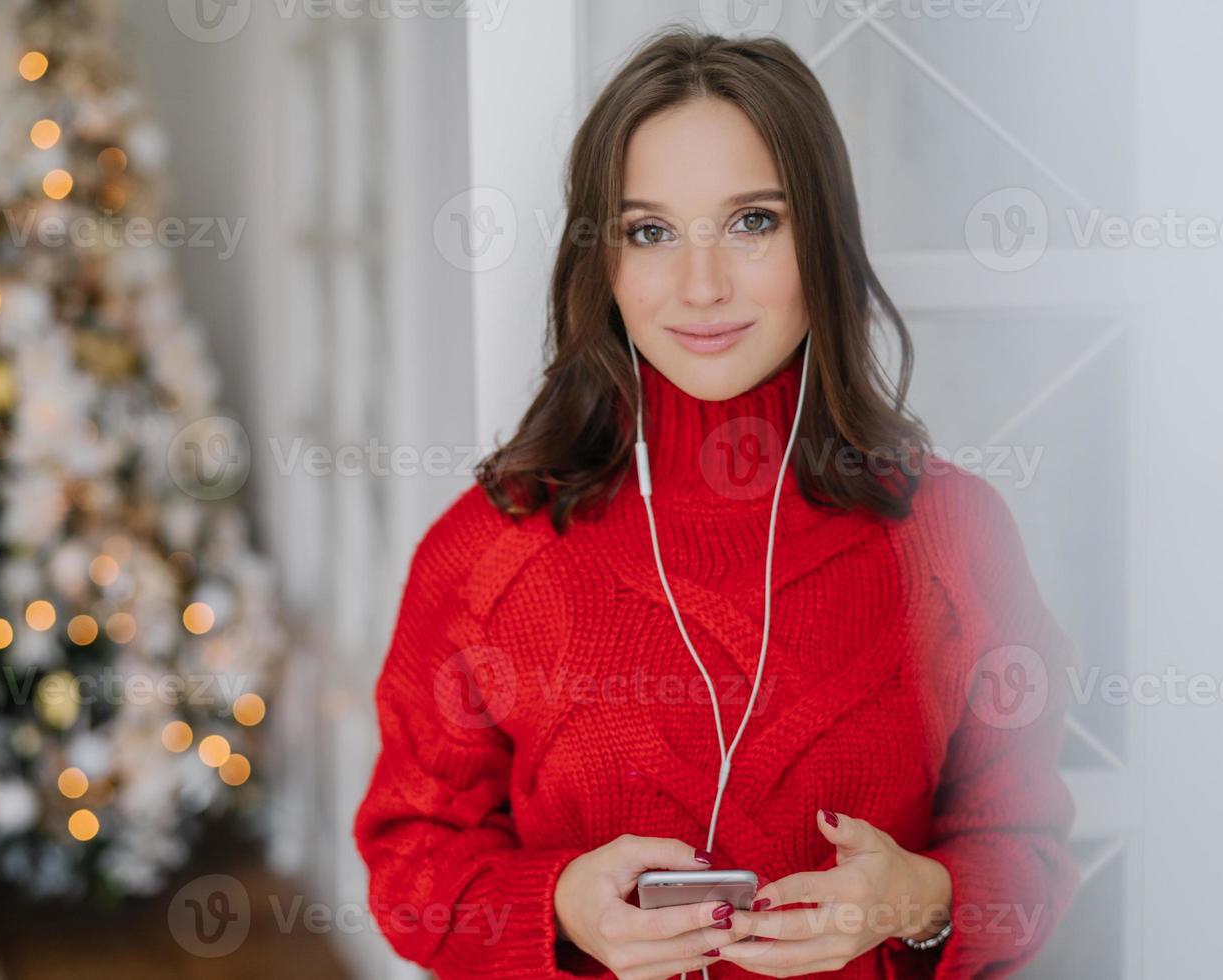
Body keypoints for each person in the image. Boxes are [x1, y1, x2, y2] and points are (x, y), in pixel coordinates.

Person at [353, 25, 1079, 979]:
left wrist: (920, 898)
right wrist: (560, 907)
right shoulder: (491, 547)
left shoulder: (954, 534)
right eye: (650, 231)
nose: (701, 287)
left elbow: (1030, 851)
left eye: (752, 222)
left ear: (820, 237)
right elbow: (410, 867)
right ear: (600, 262)